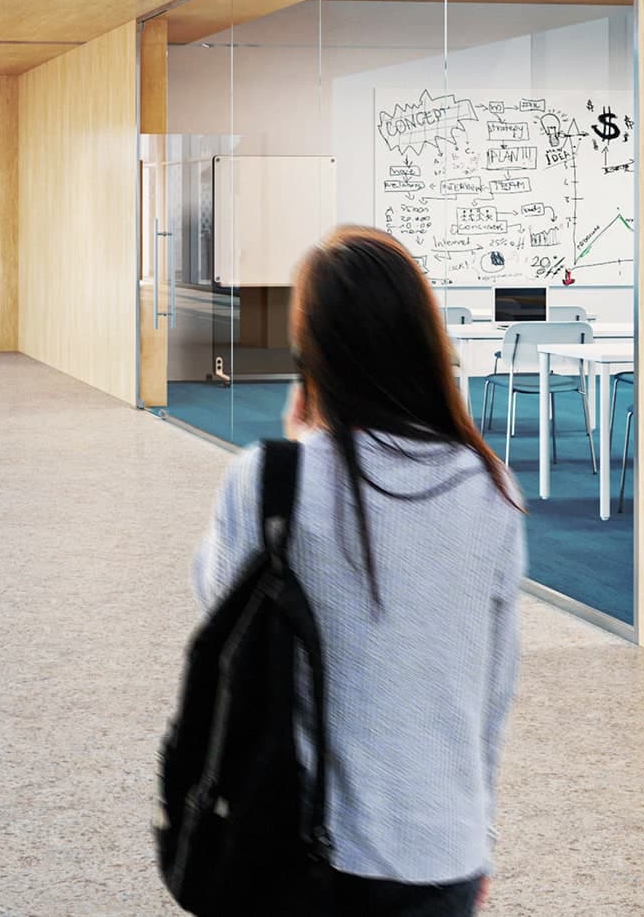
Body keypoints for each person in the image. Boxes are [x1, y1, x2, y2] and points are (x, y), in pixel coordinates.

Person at [193, 225, 524, 916]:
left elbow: (222, 617)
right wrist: (477, 832)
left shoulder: (269, 479)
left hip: (307, 850)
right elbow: (493, 690)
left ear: (311, 353)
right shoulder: (490, 487)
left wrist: (296, 452)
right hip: (445, 851)